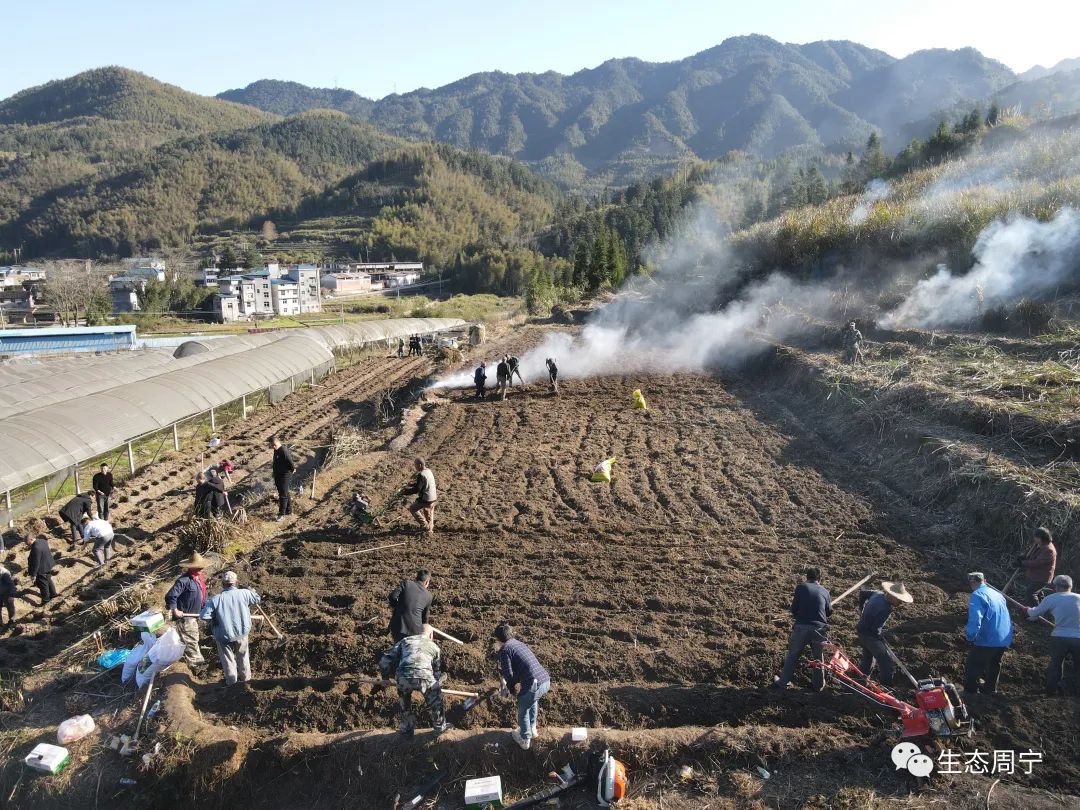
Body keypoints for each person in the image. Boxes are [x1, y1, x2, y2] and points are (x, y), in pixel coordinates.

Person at [378, 624, 451, 736]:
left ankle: (407, 729)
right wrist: (436, 685)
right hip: (424, 677)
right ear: (431, 635)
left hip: (403, 677)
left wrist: (385, 678)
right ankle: (440, 727)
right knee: (436, 701)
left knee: (405, 704)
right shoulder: (435, 647)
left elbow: (384, 659)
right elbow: (436, 673)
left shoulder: (405, 641)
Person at [772, 567, 832, 691]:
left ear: (806, 577)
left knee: (793, 654)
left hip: (802, 627)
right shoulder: (825, 591)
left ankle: (783, 682)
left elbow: (794, 609)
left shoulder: (801, 587)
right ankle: (818, 685)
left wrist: (799, 616)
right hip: (819, 629)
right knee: (818, 657)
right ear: (820, 579)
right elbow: (829, 612)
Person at [199, 571, 260, 686]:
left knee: (228, 660)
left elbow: (204, 616)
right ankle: (246, 681)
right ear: (236, 582)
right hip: (242, 632)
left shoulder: (216, 599)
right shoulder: (245, 593)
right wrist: (252, 591)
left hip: (223, 635)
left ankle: (231, 684)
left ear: (223, 583)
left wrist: (215, 617)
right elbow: (257, 599)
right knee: (243, 656)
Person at [495, 623, 550, 750]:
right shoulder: (519, 644)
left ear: (498, 639)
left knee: (523, 708)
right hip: (545, 680)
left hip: (533, 684)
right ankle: (532, 729)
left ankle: (525, 739)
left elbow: (508, 674)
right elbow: (521, 669)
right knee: (532, 700)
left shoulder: (504, 650)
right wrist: (514, 684)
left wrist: (512, 690)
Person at [1025, 574, 1080, 695]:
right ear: (1071, 586)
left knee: (1056, 664)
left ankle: (1051, 690)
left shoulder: (1052, 598)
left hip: (1060, 636)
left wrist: (1028, 609)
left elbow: (1035, 612)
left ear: (1056, 586)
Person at [964, 571, 1013, 695]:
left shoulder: (977, 595)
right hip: (1003, 637)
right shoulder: (998, 594)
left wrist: (970, 637)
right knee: (994, 663)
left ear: (972, 582)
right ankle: (990, 690)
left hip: (988, 638)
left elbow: (975, 619)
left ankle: (971, 694)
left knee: (973, 665)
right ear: (984, 581)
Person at [856, 581, 914, 686]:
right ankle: (886, 686)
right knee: (885, 660)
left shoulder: (877, 594)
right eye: (899, 600)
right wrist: (880, 638)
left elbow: (863, 593)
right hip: (869, 634)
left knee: (868, 656)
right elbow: (875, 629)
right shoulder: (885, 609)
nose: (901, 603)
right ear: (892, 596)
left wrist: (861, 609)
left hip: (861, 628)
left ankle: (862, 679)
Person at [166, 552, 210, 668]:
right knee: (191, 640)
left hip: (195, 615)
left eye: (201, 567)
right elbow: (171, 596)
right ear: (191, 567)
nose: (201, 569)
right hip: (186, 617)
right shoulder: (183, 581)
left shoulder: (198, 580)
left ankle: (190, 660)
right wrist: (175, 610)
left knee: (191, 638)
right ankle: (197, 666)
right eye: (198, 567)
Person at [389, 569, 433, 641]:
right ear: (427, 582)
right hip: (416, 631)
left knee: (399, 645)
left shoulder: (406, 583)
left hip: (398, 626)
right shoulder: (429, 596)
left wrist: (399, 607)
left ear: (416, 578)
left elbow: (392, 597)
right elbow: (424, 618)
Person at [1018, 527, 1057, 606]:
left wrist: (1023, 563)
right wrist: (1024, 557)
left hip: (1041, 577)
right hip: (1035, 575)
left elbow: (1037, 563)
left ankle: (1036, 614)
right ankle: (1042, 609)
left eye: (1035, 537)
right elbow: (1033, 556)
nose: (1034, 539)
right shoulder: (1040, 544)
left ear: (1040, 538)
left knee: (1030, 593)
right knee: (1038, 593)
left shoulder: (1049, 550)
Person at [403, 457, 437, 535]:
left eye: (415, 465)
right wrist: (413, 484)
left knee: (412, 508)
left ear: (420, 465)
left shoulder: (421, 474)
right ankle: (430, 528)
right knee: (427, 512)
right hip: (433, 497)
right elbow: (422, 484)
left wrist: (405, 492)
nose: (415, 467)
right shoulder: (428, 471)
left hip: (427, 499)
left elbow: (416, 490)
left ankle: (425, 526)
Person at [270, 435, 296, 521]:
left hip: (285, 474)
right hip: (278, 474)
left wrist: (293, 469)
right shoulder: (276, 450)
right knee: (284, 492)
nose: (273, 447)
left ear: (278, 442)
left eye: (274, 444)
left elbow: (290, 461)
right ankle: (289, 510)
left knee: (282, 494)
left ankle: (282, 514)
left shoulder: (284, 450)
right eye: (272, 445)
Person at [25, 533, 57, 604]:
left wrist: (34, 574)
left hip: (42, 568)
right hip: (48, 564)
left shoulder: (36, 547)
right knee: (48, 579)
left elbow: (36, 562)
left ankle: (46, 600)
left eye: (27, 542)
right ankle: (53, 594)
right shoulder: (42, 541)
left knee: (43, 584)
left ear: (31, 539)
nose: (26, 544)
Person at [0, 562, 16, 627]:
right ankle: (0, 623)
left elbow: (11, 585)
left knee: (10, 607)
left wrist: (11, 595)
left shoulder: (4, 573)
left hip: (6, 593)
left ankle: (12, 622)